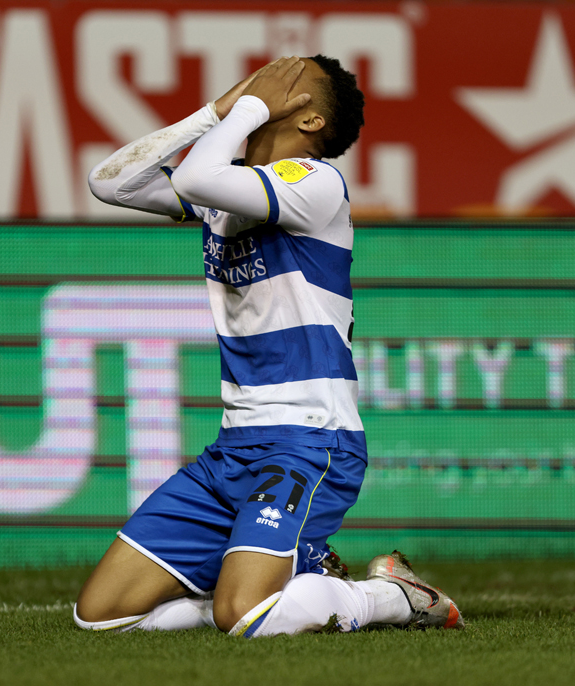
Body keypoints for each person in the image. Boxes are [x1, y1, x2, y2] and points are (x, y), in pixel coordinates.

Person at [75, 55, 463, 637]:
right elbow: (110, 181)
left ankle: (392, 596)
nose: (268, 75)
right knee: (102, 617)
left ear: (310, 120)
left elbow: (195, 178)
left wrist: (248, 107)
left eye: (289, 76)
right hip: (234, 447)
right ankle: (299, 573)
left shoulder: (315, 182)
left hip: (309, 440)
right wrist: (214, 113)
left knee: (245, 618)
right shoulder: (226, 190)